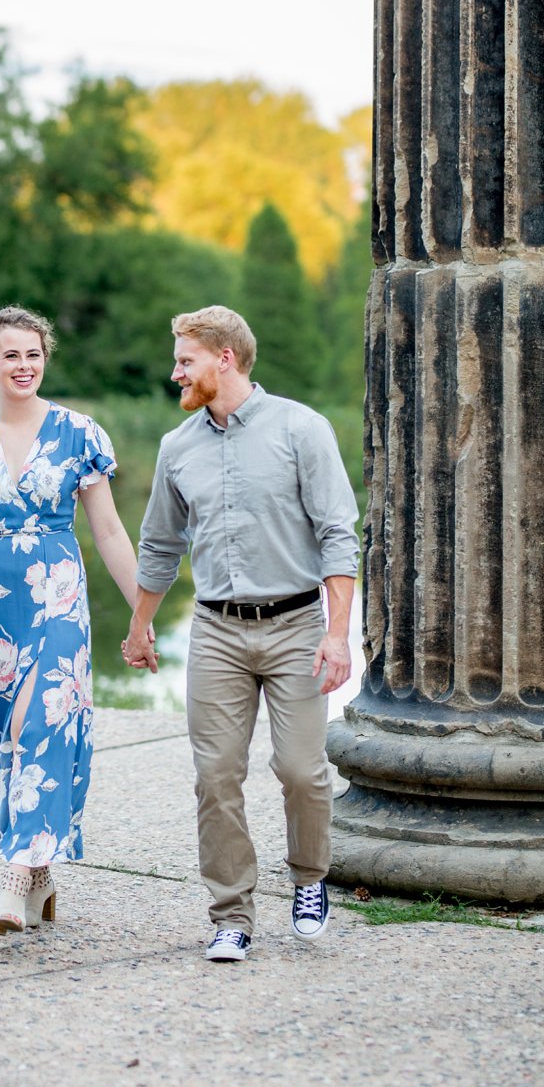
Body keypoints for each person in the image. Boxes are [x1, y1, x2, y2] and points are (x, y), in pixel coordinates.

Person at [125, 307, 358, 962]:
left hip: (294, 625)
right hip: (215, 631)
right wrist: (140, 626)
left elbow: (338, 533)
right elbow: (158, 543)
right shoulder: (176, 447)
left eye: (185, 360)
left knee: (301, 772)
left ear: (223, 357)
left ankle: (308, 881)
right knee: (215, 777)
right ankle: (230, 915)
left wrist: (337, 636)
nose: (175, 372)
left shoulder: (299, 429)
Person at [0, 306, 147, 931]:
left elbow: (107, 531)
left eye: (34, 354)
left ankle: (17, 877)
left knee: (40, 721)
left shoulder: (80, 434)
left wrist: (141, 613)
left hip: (58, 595)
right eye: (12, 355)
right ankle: (44, 876)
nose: (24, 366)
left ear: (45, 359)